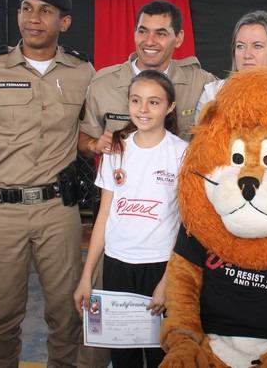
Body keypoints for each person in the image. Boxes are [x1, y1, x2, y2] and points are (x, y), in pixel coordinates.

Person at [0, 0, 94, 367]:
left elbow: (86, 137)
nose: (34, 18)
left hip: (58, 212)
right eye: (26, 8)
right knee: (0, 317)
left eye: (45, 11)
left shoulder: (83, 72)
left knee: (66, 316)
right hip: (3, 212)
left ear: (63, 23)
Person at [74, 70, 187, 368]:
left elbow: (187, 226)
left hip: (160, 267)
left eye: (153, 102)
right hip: (117, 267)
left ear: (170, 107)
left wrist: (167, 281)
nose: (143, 109)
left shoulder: (181, 154)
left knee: (161, 355)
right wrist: (87, 277)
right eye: (136, 101)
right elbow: (104, 218)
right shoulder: (117, 150)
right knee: (123, 358)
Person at [80, 0, 216, 154]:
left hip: (181, 175)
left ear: (179, 38)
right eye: (142, 31)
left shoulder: (199, 82)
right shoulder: (104, 83)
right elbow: (83, 138)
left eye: (160, 33)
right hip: (123, 176)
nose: (149, 41)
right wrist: (94, 144)